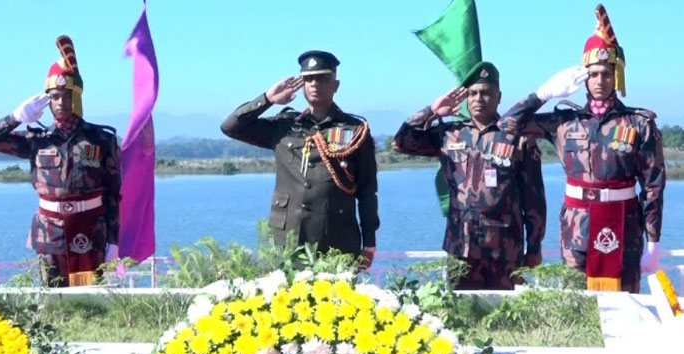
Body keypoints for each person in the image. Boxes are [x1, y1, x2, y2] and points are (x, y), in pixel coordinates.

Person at [499, 4, 664, 292]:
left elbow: (653, 187)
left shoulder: (639, 124)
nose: (600, 81)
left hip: (624, 227)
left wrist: (654, 241)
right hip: (577, 228)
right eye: (594, 73)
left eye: (606, 73)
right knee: (576, 303)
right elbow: (506, 126)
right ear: (585, 76)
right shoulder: (564, 121)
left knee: (624, 303)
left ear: (616, 76)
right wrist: (543, 94)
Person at [0, 35, 121, 287]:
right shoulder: (37, 140)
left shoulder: (101, 139)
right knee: (53, 296)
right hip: (50, 232)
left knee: (90, 295)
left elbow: (113, 193)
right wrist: (15, 117)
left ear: (77, 97)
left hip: (91, 229)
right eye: (54, 96)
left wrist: (114, 241)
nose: (61, 102)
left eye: (67, 95)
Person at [393, 62, 546, 289]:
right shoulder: (450, 134)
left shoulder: (518, 138)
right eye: (472, 93)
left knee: (504, 308)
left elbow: (534, 200)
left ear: (499, 97)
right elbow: (401, 143)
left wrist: (534, 247)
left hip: (504, 249)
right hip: (460, 245)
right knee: (460, 308)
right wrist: (432, 111)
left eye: (485, 93)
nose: (478, 99)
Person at [221, 51, 379, 268]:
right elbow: (230, 127)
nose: (314, 84)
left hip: (337, 240)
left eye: (322, 78)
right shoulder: (283, 126)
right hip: (287, 239)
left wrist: (369, 242)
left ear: (336, 85)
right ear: (302, 84)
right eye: (308, 79)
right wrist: (267, 99)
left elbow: (368, 191)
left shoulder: (355, 130)